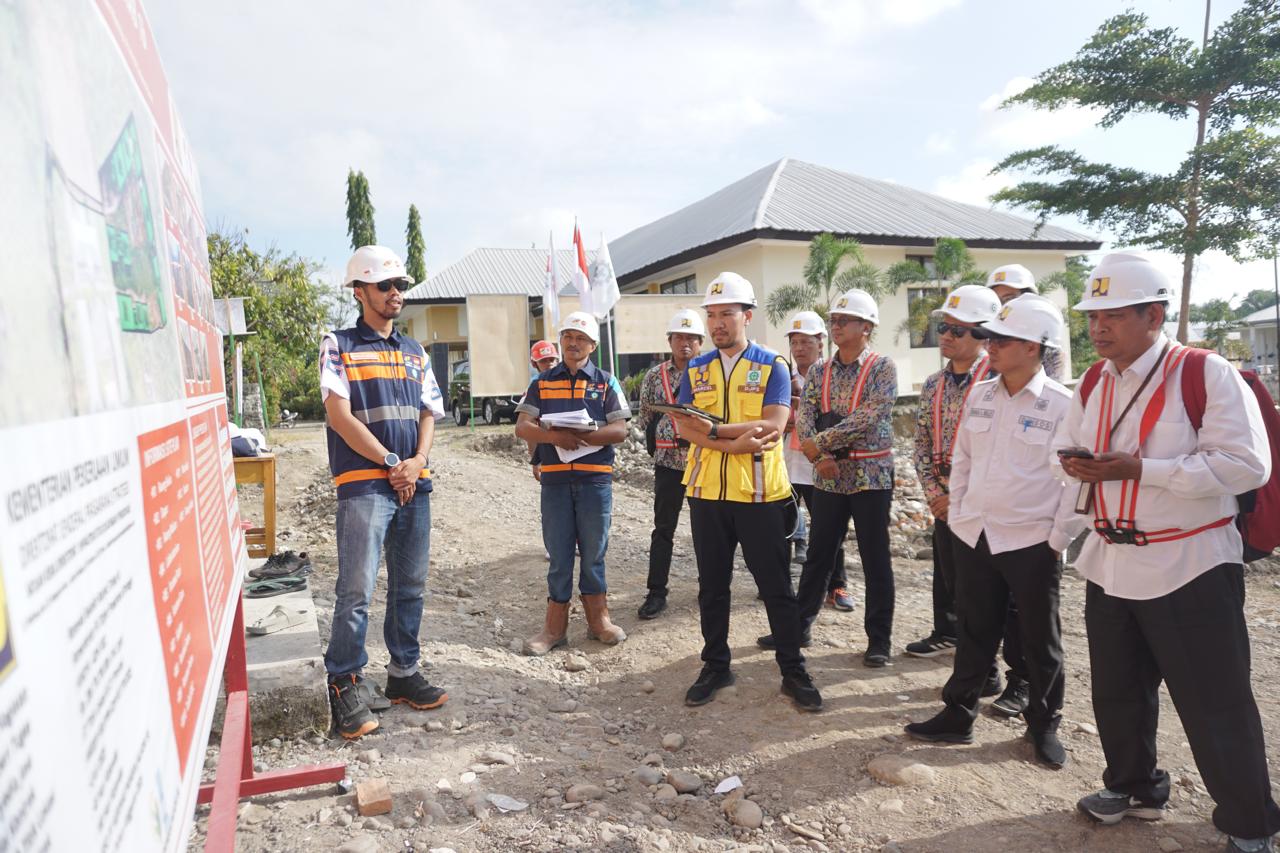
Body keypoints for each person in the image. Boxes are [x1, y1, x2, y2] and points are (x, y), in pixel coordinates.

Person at [1053, 253, 1279, 851]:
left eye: (1115, 315)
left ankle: (1248, 822)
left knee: (1215, 701)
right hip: (1111, 559)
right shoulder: (1095, 381)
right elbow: (1068, 445)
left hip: (1191, 563)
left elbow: (1245, 464)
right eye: (1093, 315)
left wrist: (1140, 470)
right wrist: (1080, 466)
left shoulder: (1203, 374)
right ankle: (1133, 789)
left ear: (1155, 314)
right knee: (1117, 691)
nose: (1099, 328)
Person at [905, 294, 1077, 769]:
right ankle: (958, 714)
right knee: (974, 630)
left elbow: (1075, 481)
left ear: (1034, 347)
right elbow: (963, 459)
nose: (990, 345)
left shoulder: (1063, 404)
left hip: (1031, 540)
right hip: (975, 533)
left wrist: (1058, 539)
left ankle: (1043, 726)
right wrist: (959, 514)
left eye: (1000, 338)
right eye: (989, 336)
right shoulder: (981, 394)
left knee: (1040, 639)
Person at [667, 272, 822, 712]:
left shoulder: (772, 364)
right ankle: (716, 664)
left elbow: (773, 426)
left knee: (775, 587)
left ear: (746, 316)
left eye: (726, 314)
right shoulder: (695, 367)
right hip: (706, 493)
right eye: (711, 315)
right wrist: (731, 441)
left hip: (758, 495)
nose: (717, 324)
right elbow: (682, 424)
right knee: (712, 587)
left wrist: (713, 430)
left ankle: (793, 670)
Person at [319, 245, 449, 740]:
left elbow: (428, 412)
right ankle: (345, 681)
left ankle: (402, 674)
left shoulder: (414, 352)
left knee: (410, 586)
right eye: (384, 286)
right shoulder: (339, 344)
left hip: (413, 483)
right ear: (359, 291)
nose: (396, 294)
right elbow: (338, 414)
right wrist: (392, 462)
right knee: (356, 591)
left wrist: (416, 462)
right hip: (364, 484)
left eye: (400, 286)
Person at [907, 284, 1031, 717]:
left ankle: (1023, 679)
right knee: (966, 594)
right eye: (944, 327)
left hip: (990, 506)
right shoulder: (934, 384)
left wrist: (959, 496)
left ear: (984, 337)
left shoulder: (999, 383)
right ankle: (985, 672)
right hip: (949, 505)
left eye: (958, 331)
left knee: (1011, 601)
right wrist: (936, 495)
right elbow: (921, 444)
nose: (946, 336)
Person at [761, 289, 899, 667]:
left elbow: (869, 416)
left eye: (844, 320)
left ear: (866, 327)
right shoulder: (821, 371)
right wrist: (818, 454)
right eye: (834, 320)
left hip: (869, 475)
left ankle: (879, 640)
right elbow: (805, 413)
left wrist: (816, 445)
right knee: (819, 554)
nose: (836, 326)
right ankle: (798, 627)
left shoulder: (882, 368)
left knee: (875, 558)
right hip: (828, 475)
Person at [515, 312, 631, 655]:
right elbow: (523, 426)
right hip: (555, 481)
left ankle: (599, 622)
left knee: (594, 552)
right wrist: (555, 437)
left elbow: (621, 429)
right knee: (559, 553)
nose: (573, 342)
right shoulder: (542, 382)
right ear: (560, 341)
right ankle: (554, 628)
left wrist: (585, 435)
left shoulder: (607, 382)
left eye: (581, 337)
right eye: (568, 336)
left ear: (593, 345)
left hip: (595, 480)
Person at [635, 309, 705, 620]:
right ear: (669, 341)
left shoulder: (710, 372)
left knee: (707, 531)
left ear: (701, 342)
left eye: (691, 337)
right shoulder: (654, 376)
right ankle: (656, 592)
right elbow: (645, 417)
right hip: (667, 463)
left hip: (705, 461)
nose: (685, 343)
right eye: (679, 337)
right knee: (663, 529)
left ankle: (711, 588)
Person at [783, 310, 854, 612]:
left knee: (828, 530)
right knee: (781, 529)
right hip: (785, 466)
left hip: (819, 467)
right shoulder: (781, 376)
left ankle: (836, 586)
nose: (799, 348)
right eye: (795, 342)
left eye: (806, 342)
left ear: (821, 343)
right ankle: (781, 586)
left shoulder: (831, 377)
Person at [988, 264, 1064, 381]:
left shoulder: (1046, 340)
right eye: (997, 301)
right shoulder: (985, 338)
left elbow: (1051, 391)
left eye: (1008, 299)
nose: (1003, 306)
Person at [525, 340, 560, 483]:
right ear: (534, 364)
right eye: (543, 361)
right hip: (548, 448)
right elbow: (529, 424)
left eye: (551, 360)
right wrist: (535, 459)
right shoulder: (534, 386)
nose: (549, 364)